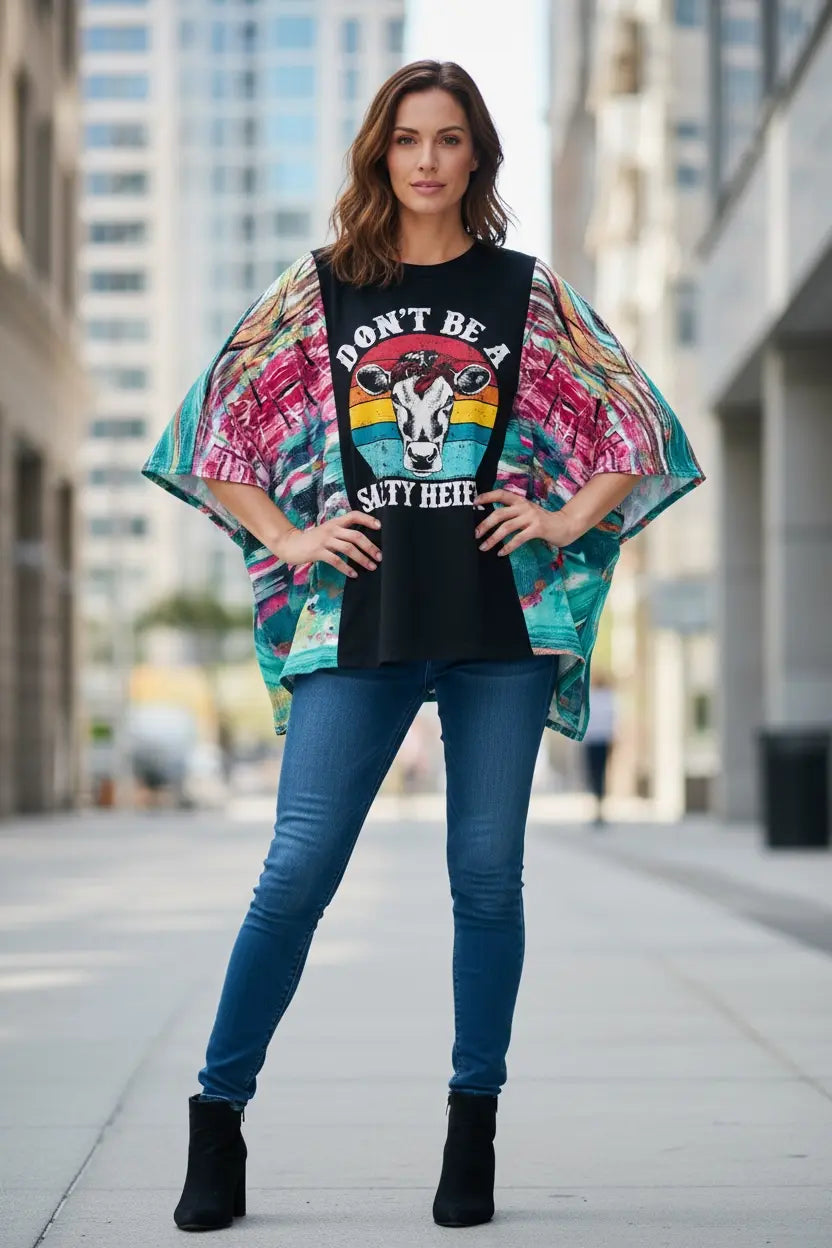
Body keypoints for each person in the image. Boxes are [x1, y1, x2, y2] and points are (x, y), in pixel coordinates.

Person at [142, 60, 704, 1232]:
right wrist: (293, 538)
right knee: (296, 868)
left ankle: (471, 1133)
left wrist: (557, 518)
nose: (429, 160)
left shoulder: (524, 291)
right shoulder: (322, 288)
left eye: (451, 139)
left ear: (476, 158)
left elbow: (634, 420)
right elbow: (214, 424)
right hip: (360, 619)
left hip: (498, 626)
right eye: (409, 139)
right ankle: (217, 1118)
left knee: (485, 880)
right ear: (380, 155)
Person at [582, 672, 616, 824]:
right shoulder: (600, 697)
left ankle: (599, 808)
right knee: (597, 774)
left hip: (598, 740)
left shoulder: (602, 697)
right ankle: (598, 807)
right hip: (598, 740)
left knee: (598, 774)